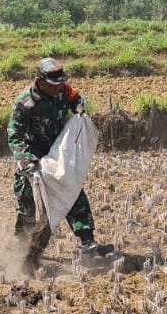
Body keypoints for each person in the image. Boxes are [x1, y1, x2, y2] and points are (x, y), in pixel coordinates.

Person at [9, 57, 112, 262]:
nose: (58, 88)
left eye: (60, 84)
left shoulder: (64, 90)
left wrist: (80, 109)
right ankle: (23, 254)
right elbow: (15, 137)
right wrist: (27, 162)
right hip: (34, 159)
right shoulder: (25, 103)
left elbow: (77, 98)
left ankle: (87, 243)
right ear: (40, 80)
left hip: (57, 155)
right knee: (28, 206)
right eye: (53, 84)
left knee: (73, 193)